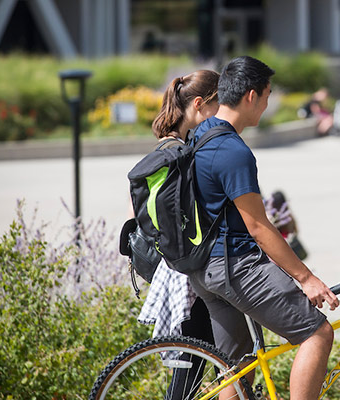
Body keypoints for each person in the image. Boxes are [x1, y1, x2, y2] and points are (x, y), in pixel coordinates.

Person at [187, 55, 339, 400]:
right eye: (268, 96)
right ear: (251, 96)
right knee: (317, 334)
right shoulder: (232, 151)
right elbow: (258, 226)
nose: (268, 105)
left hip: (204, 271)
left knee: (236, 367)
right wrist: (306, 277)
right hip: (235, 265)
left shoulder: (201, 133)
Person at [136, 70, 220, 399]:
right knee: (199, 358)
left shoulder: (165, 147)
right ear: (199, 104)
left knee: (199, 358)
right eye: (218, 104)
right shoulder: (183, 153)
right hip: (189, 271)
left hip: (172, 268)